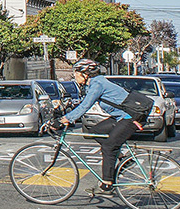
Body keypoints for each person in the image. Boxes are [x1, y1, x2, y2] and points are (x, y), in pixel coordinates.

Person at [59, 58, 145, 194]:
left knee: (108, 146)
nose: (74, 77)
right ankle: (122, 156)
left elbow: (86, 105)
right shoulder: (94, 83)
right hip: (120, 117)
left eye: (75, 73)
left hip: (129, 118)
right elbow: (83, 103)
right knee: (94, 131)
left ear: (84, 73)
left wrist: (67, 118)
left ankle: (107, 183)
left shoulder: (97, 84)